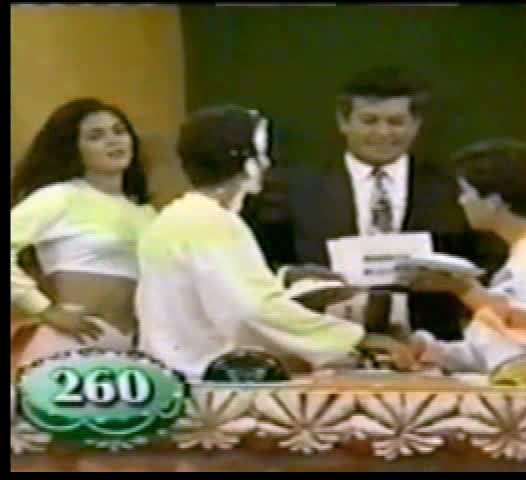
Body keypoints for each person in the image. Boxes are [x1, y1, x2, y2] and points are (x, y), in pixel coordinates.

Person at [135, 105, 417, 381]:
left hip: (172, 378)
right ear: (245, 162)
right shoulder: (211, 222)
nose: (267, 164)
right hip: (207, 381)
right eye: (261, 154)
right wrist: (355, 338)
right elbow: (252, 309)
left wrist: (286, 280)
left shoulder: (175, 218)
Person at [245, 66, 507, 341]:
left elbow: (488, 264)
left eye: (396, 122)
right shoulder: (294, 189)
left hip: (434, 345)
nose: (383, 133)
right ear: (343, 122)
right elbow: (262, 267)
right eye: (370, 121)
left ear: (416, 124)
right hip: (323, 341)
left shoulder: (451, 190)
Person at [402, 140, 526, 372]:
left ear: (494, 201)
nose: (461, 201)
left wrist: (470, 292)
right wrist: (433, 351)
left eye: (466, 192)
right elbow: (503, 349)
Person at [11, 98, 155, 368]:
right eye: (96, 136)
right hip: (70, 344)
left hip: (129, 352)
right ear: (74, 148)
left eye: (119, 131)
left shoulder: (146, 214)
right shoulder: (59, 197)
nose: (113, 141)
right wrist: (43, 309)